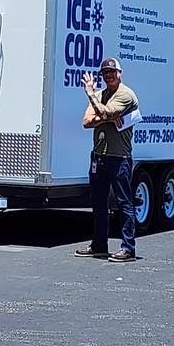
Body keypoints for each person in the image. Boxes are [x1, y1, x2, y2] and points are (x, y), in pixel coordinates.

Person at [75, 57, 139, 263]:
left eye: (112, 72)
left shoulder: (126, 95)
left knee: (124, 202)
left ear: (120, 73)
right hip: (99, 156)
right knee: (99, 202)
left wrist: (94, 101)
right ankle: (99, 245)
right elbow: (86, 122)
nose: (109, 75)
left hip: (119, 157)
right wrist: (107, 117)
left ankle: (128, 248)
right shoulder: (101, 94)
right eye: (105, 73)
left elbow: (105, 111)